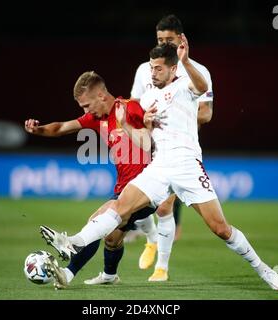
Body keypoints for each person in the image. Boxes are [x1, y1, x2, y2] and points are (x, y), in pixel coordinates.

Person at [41, 39, 278, 291]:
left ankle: (263, 269)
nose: (153, 73)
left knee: (221, 229)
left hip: (187, 165)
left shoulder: (185, 85)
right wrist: (131, 124)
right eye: (151, 67)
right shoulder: (146, 99)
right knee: (118, 207)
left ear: (172, 69)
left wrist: (186, 61)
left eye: (159, 68)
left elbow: (202, 86)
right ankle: (73, 241)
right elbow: (146, 143)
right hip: (159, 166)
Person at [24, 71, 170, 289]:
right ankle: (110, 275)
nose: (85, 111)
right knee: (111, 238)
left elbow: (156, 136)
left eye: (86, 105)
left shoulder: (130, 108)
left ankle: (68, 269)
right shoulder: (97, 118)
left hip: (147, 186)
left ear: (101, 95)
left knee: (98, 220)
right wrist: (38, 129)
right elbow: (62, 128)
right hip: (123, 187)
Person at [125, 14, 214, 280]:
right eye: (159, 39)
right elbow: (135, 107)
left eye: (169, 40)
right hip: (151, 144)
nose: (164, 44)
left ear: (181, 40)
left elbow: (206, 114)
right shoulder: (146, 69)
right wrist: (143, 121)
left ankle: (161, 267)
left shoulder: (197, 71)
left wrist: (173, 113)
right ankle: (150, 238)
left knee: (164, 207)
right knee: (131, 200)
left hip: (182, 150)